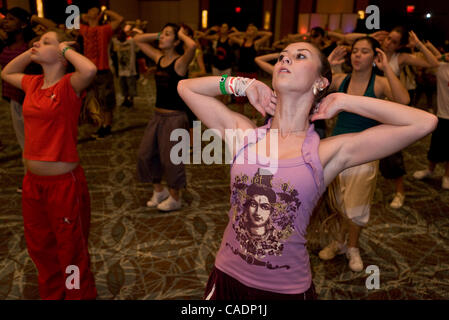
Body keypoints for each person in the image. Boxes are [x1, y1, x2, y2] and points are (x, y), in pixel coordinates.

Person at [177, 41, 437, 299]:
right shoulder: (245, 135)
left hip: (285, 289)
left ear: (321, 82)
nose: (285, 60)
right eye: (282, 56)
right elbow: (186, 87)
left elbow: (424, 122)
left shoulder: (325, 152)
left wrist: (346, 101)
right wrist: (242, 84)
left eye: (300, 56)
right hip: (227, 277)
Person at [1, 29, 98, 299]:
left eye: (45, 42)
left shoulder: (69, 84)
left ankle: (78, 295)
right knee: (41, 247)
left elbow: (89, 70)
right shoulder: (32, 83)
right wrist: (32, 51)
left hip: (63, 185)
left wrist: (65, 49)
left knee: (70, 249)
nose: (36, 44)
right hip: (33, 184)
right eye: (37, 41)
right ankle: (53, 294)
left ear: (61, 55)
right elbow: (6, 73)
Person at [318, 37, 410, 272]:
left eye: (364, 52)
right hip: (336, 146)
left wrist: (387, 67)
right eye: (355, 51)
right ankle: (338, 241)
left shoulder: (379, 83)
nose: (357, 55)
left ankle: (353, 247)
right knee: (336, 201)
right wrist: (327, 65)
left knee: (357, 204)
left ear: (374, 56)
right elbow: (311, 92)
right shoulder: (340, 80)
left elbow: (404, 100)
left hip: (366, 150)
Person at [135, 23, 196, 212]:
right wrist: (160, 32)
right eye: (162, 34)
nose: (161, 37)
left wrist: (180, 34)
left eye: (167, 35)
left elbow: (192, 46)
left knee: (171, 160)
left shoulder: (180, 63)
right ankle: (159, 190)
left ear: (177, 41)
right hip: (157, 115)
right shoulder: (159, 58)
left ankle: (175, 198)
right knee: (145, 155)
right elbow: (138, 40)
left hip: (175, 117)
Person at [0, 7, 34, 193]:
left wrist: (34, 17)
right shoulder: (5, 45)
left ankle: (35, 179)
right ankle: (30, 178)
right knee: (24, 143)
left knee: (35, 142)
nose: (6, 21)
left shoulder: (31, 45)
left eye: (11, 19)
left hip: (32, 99)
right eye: (6, 18)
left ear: (23, 23)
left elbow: (58, 31)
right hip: (14, 100)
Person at [79, 5, 123, 139]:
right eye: (89, 10)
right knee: (95, 100)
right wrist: (82, 17)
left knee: (106, 100)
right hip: (88, 71)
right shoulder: (84, 29)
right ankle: (101, 125)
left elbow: (120, 19)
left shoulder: (105, 29)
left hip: (103, 70)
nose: (91, 12)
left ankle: (107, 126)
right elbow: (70, 24)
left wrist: (105, 11)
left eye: (94, 11)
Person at [413, 42, 449, 189]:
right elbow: (431, 61)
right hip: (442, 115)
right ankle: (430, 170)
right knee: (435, 146)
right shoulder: (442, 68)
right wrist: (423, 46)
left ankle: (447, 176)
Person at [112, 27, 138, 108]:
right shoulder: (116, 42)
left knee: (131, 85)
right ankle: (125, 99)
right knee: (123, 86)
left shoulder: (131, 42)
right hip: (121, 69)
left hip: (131, 69)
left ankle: (131, 100)